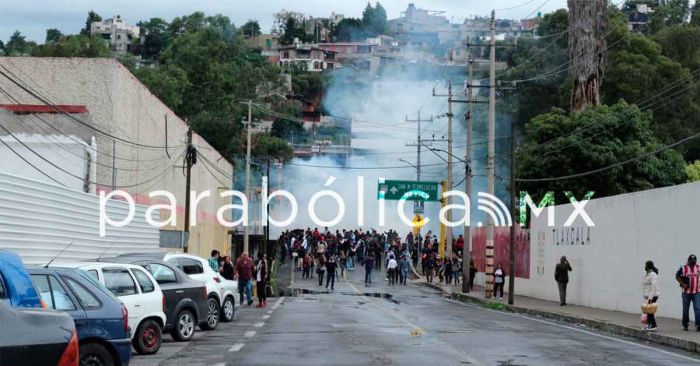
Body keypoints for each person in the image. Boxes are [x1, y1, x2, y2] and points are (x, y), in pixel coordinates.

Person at [676, 254, 700, 331]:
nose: (693, 264)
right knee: (685, 310)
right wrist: (683, 284)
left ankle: (698, 324)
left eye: (694, 262)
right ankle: (685, 324)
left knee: (698, 308)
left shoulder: (698, 267)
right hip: (686, 292)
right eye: (691, 262)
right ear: (688, 261)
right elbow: (677, 276)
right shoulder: (683, 268)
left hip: (696, 292)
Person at [643, 260, 660, 332]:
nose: (645, 267)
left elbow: (654, 287)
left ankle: (653, 325)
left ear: (648, 266)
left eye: (646, 265)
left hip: (653, 296)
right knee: (648, 311)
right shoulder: (648, 274)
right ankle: (650, 325)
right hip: (649, 296)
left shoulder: (653, 274)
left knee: (650, 311)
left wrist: (650, 298)